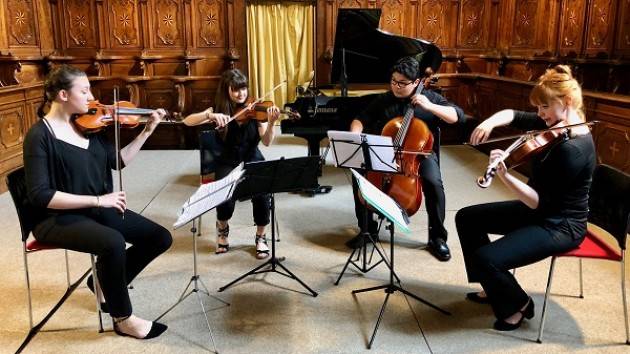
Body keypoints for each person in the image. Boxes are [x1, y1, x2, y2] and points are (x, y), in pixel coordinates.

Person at [23, 65, 173, 339]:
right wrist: (99, 200)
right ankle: (123, 318)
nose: (92, 97)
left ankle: (103, 281)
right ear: (63, 95)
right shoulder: (40, 136)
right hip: (55, 218)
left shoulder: (90, 126)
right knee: (113, 242)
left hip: (96, 208)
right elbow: (41, 195)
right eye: (84, 91)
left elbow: (118, 161)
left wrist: (146, 131)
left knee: (159, 237)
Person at [456, 65, 596, 331]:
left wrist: (506, 176)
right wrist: (489, 122)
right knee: (467, 218)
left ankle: (518, 305)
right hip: (541, 211)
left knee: (487, 258)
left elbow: (537, 202)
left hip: (560, 224)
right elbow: (513, 115)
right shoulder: (556, 123)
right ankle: (493, 286)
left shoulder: (573, 149)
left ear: (565, 103)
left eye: (543, 107)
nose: (539, 114)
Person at [349, 56, 464, 261]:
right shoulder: (384, 100)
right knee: (360, 175)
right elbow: (360, 119)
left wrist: (429, 106)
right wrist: (357, 137)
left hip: (419, 155)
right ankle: (367, 230)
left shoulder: (430, 98)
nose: (396, 86)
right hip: (385, 152)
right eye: (393, 81)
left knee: (433, 182)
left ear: (417, 82)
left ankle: (437, 237)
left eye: (402, 83)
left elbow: (457, 116)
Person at [183, 68, 280, 259]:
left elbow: (267, 142)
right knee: (225, 196)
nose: (241, 94)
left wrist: (271, 123)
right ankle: (222, 230)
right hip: (227, 161)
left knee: (262, 194)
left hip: (253, 158)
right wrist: (209, 116)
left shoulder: (256, 109)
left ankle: (261, 236)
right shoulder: (217, 109)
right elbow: (187, 121)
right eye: (236, 90)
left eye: (243, 89)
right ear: (226, 90)